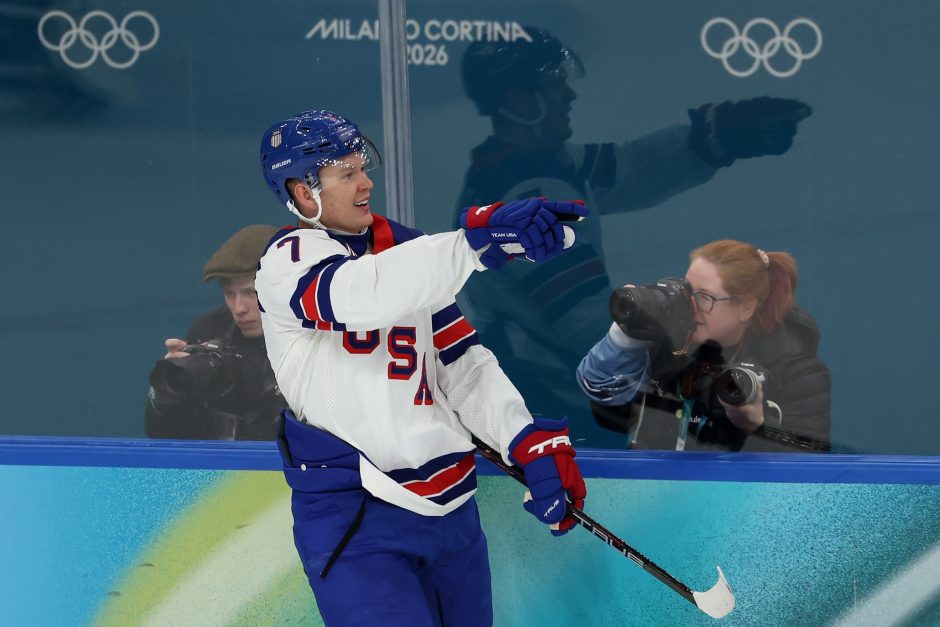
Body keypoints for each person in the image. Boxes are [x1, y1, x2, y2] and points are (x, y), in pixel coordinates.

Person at [255, 109, 589, 626]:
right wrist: (472, 245)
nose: (366, 182)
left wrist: (521, 438)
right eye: (345, 174)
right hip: (356, 519)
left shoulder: (409, 250)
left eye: (361, 167)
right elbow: (359, 295)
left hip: (453, 514)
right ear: (302, 192)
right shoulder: (287, 261)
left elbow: (462, 365)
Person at [455, 27, 813, 445]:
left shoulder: (537, 167)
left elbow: (630, 167)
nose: (569, 96)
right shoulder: (527, 202)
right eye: (555, 86)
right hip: (559, 408)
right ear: (520, 101)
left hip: (560, 396)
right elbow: (586, 325)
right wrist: (687, 359)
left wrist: (710, 138)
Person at [576, 239, 831, 452]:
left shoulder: (797, 373)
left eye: (704, 296)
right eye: (687, 291)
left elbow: (809, 471)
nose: (690, 306)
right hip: (649, 498)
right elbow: (607, 412)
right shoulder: (664, 351)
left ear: (745, 307)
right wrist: (626, 338)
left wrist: (758, 426)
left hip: (732, 507)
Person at [145, 224, 284, 440]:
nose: (239, 308)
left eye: (252, 292)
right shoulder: (210, 329)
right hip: (226, 469)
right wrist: (171, 392)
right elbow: (163, 435)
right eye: (230, 294)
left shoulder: (320, 331)